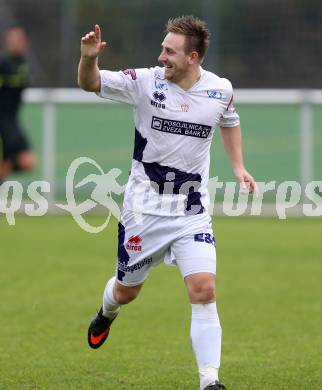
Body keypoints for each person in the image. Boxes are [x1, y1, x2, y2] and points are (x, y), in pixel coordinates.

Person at [78, 16, 256, 390]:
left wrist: (239, 167)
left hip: (191, 212)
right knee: (127, 292)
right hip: (143, 212)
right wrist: (89, 58)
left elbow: (230, 120)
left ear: (193, 57)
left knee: (204, 289)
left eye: (169, 51)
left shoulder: (220, 90)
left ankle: (210, 381)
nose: (161, 57)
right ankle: (106, 312)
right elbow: (90, 82)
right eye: (162, 49)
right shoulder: (145, 83)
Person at [0, 27, 36, 183]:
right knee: (25, 161)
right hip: (2, 121)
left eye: (18, 39)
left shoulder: (23, 65)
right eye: (12, 39)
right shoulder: (3, 64)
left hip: (12, 120)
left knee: (25, 162)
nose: (15, 42)